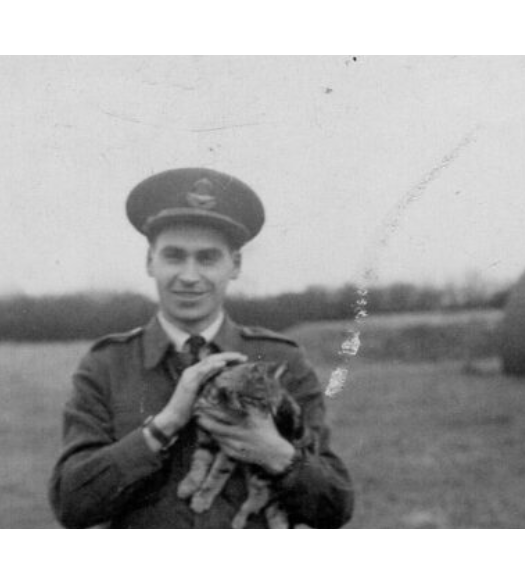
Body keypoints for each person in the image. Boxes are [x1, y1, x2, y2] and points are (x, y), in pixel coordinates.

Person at [49, 168, 354, 529]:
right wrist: (164, 426)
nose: (190, 276)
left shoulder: (282, 361)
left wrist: (274, 452)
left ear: (235, 265)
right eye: (174, 256)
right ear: (151, 262)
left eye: (208, 258)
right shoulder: (107, 365)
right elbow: (72, 504)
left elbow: (335, 506)